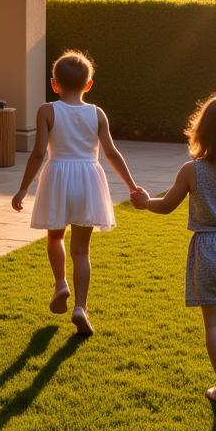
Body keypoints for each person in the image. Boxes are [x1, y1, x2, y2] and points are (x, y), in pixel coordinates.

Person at [131, 92, 216, 407]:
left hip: (209, 249)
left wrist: (144, 202)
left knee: (215, 323)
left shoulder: (192, 171)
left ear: (202, 129)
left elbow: (166, 205)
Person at [11, 50, 142, 336]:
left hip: (57, 176)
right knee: (82, 250)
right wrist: (132, 186)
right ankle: (81, 307)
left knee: (55, 236)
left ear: (54, 84)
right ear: (89, 84)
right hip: (87, 177)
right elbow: (111, 153)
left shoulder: (47, 110)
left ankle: (61, 284)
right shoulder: (97, 113)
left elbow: (37, 153)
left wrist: (23, 188)